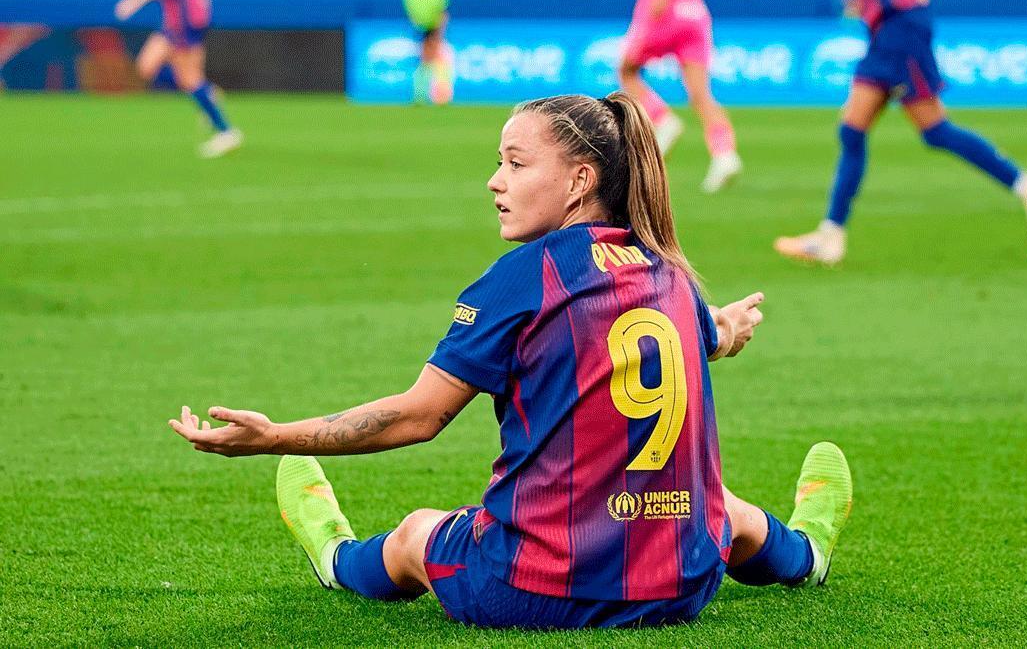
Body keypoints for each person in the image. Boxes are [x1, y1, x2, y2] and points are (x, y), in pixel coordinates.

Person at [168, 92, 853, 630]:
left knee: (415, 533)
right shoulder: (670, 275)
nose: (495, 182)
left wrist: (273, 437)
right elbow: (689, 336)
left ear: (580, 179)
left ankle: (336, 556)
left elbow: (417, 417)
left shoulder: (522, 279)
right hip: (680, 584)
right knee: (723, 510)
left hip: (533, 588)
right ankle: (807, 554)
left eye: (516, 164)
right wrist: (723, 328)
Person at [774, 0, 1027, 266]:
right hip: (889, 28)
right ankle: (830, 236)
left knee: (935, 131)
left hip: (902, 30)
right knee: (852, 131)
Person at [599, 0, 743, 193]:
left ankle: (663, 120)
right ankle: (725, 154)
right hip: (694, 16)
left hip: (664, 14)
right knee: (700, 95)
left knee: (626, 71)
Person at [115, 0, 242, 158]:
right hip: (178, 20)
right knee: (147, 67)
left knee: (189, 79)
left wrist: (135, 0)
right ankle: (207, 93)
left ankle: (226, 131)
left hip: (184, 20)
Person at [403, 0, 453, 105]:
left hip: (435, 27)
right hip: (421, 28)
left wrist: (438, 31)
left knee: (437, 59)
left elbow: (443, 13)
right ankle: (421, 94)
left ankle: (439, 95)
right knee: (427, 59)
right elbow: (413, 11)